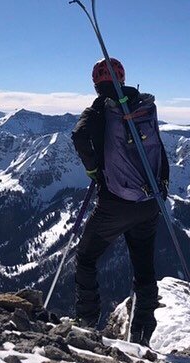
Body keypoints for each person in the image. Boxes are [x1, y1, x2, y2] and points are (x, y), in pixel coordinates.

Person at [70, 57, 169, 345]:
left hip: (116, 204)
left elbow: (79, 136)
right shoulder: (144, 106)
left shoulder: (101, 108)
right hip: (150, 201)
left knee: (86, 258)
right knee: (144, 268)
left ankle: (86, 322)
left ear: (95, 83)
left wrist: (93, 169)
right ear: (123, 79)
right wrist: (161, 191)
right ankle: (142, 334)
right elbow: (159, 151)